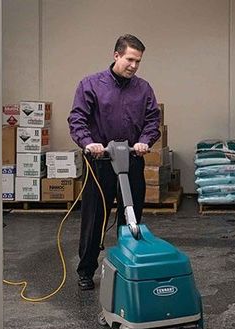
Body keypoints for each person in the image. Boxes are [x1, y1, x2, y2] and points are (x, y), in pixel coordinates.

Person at [68, 34, 160, 290]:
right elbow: (77, 119)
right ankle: (86, 270)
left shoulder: (143, 88)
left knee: (131, 216)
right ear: (116, 55)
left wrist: (145, 140)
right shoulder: (91, 84)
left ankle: (125, 266)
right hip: (100, 162)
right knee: (95, 217)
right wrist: (88, 142)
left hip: (132, 159)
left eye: (138, 61)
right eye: (130, 59)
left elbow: (153, 120)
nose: (133, 66)